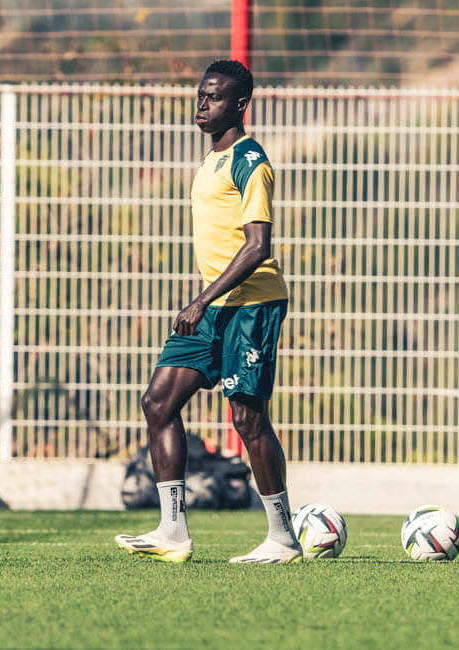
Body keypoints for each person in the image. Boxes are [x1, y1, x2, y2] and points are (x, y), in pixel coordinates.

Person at [115, 60, 302, 564]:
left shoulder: (250, 161)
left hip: (252, 304)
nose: (202, 104)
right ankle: (172, 531)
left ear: (239, 105)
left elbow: (258, 246)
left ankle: (283, 538)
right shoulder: (211, 158)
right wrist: (205, 299)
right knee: (158, 403)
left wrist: (200, 299)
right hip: (214, 304)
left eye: (213, 98)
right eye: (200, 95)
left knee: (247, 417)